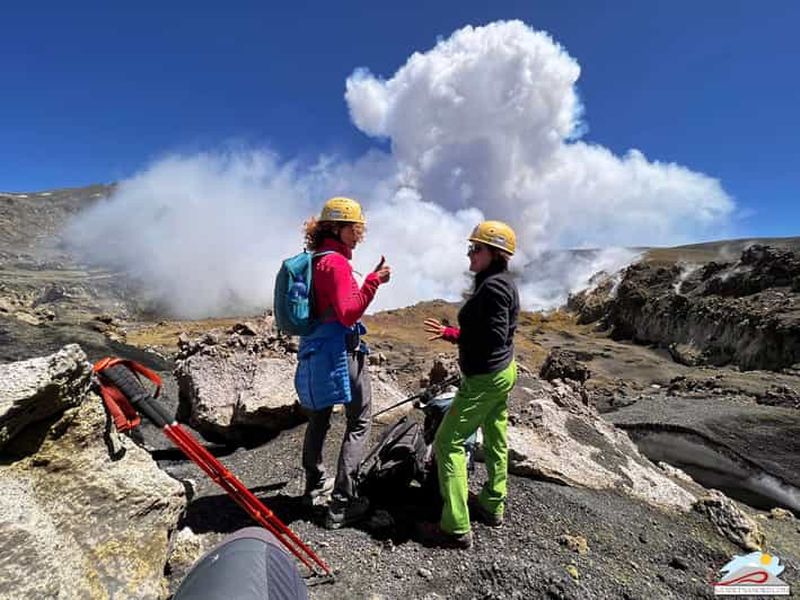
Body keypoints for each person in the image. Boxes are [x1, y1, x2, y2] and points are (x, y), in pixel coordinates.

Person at [419, 220, 520, 549]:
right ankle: (493, 504)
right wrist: (452, 334)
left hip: (484, 379)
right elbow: (497, 335)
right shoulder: (501, 282)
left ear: (495, 253)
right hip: (502, 373)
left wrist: (468, 351)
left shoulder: (492, 288)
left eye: (476, 249)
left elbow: (491, 337)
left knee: (448, 443)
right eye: (470, 248)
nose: (470, 254)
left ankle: (456, 526)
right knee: (495, 435)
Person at [298, 196, 391, 529]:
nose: (358, 236)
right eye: (354, 229)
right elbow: (349, 311)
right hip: (342, 352)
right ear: (336, 228)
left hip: (316, 350)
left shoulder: (315, 259)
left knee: (319, 417)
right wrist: (373, 281)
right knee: (360, 421)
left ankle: (313, 482)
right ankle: (341, 503)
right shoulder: (335, 263)